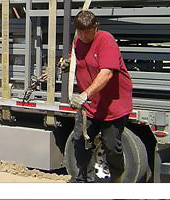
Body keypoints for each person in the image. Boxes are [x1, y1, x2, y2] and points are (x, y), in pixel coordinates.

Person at [68, 10, 133, 183]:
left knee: (111, 147)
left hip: (113, 107)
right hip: (90, 107)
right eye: (80, 32)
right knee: (80, 142)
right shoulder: (77, 41)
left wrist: (85, 94)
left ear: (96, 27)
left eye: (87, 32)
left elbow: (106, 73)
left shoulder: (106, 40)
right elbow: (79, 62)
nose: (83, 35)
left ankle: (116, 179)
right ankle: (84, 180)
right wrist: (69, 64)